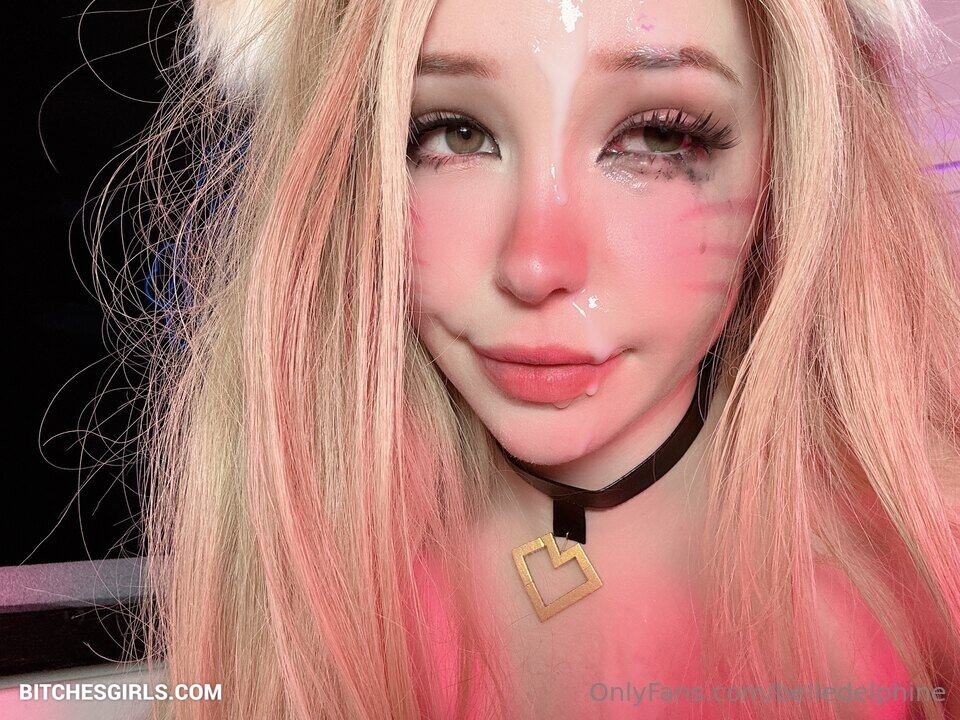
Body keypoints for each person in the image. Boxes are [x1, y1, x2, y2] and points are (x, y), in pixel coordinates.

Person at [101, 0, 960, 717]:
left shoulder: (916, 598)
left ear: (787, 165)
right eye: (453, 133)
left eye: (660, 136)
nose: (536, 263)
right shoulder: (322, 606)